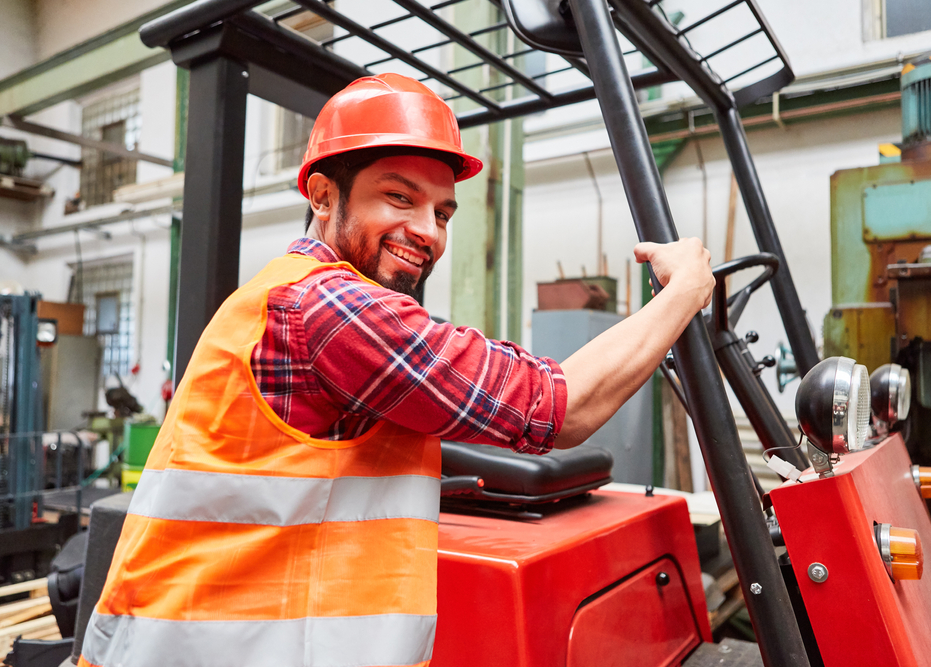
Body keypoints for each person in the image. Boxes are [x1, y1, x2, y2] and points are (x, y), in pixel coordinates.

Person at [78, 73, 713, 667]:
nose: (427, 231)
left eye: (441, 212)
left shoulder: (300, 294)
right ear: (323, 196)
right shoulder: (329, 306)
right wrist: (684, 290)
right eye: (398, 197)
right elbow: (563, 407)